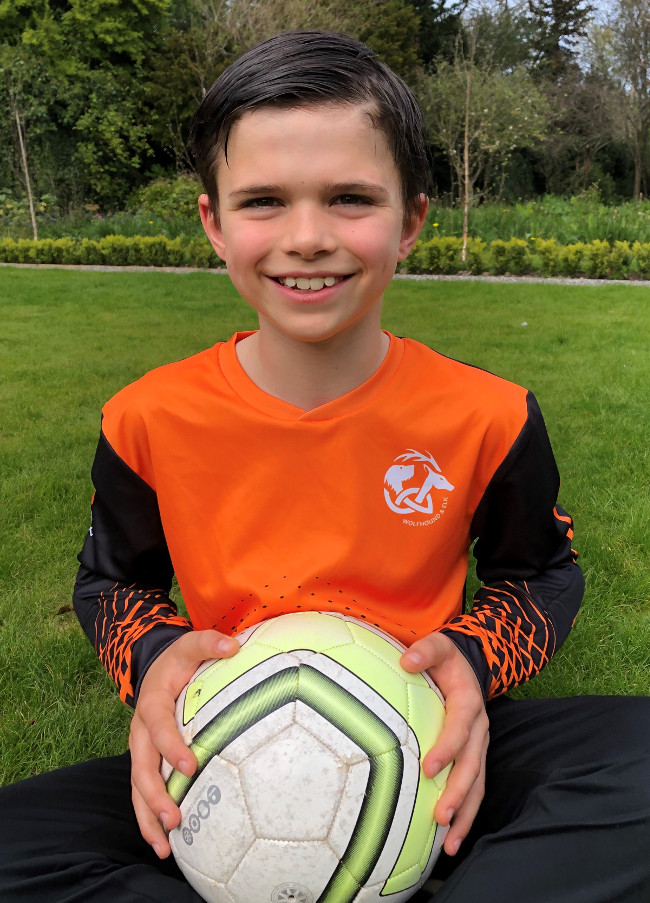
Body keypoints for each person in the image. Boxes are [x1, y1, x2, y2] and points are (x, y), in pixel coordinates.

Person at [0, 29, 648, 903]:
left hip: (431, 750)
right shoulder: (147, 417)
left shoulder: (488, 415)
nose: (307, 237)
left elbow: (542, 575)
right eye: (263, 201)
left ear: (412, 218)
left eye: (349, 198)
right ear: (214, 224)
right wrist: (152, 657)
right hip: (220, 753)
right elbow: (109, 583)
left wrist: (475, 657)